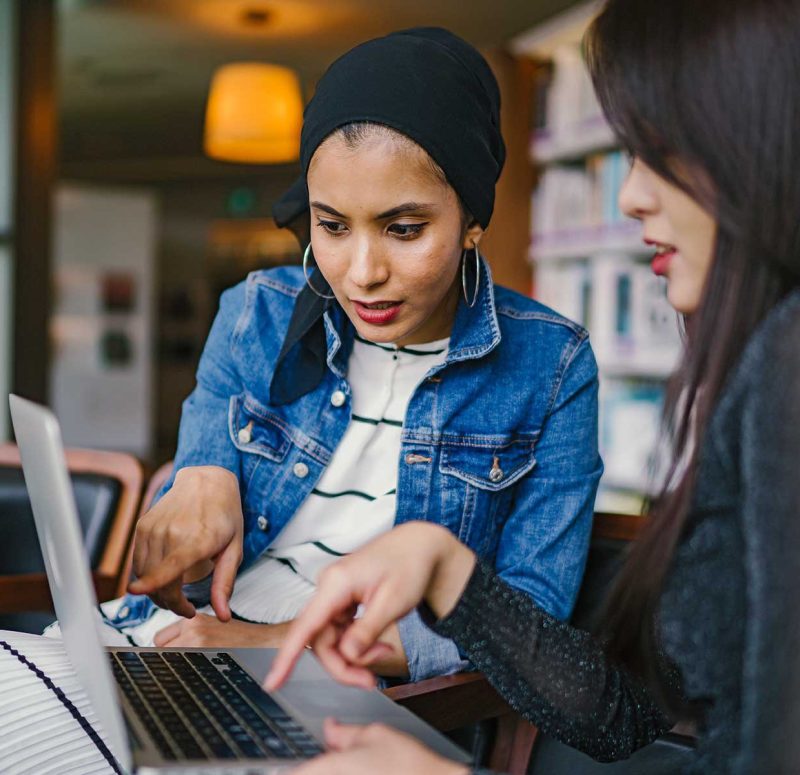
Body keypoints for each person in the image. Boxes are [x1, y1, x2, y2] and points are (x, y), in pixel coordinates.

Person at [0, 32, 604, 775]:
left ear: (473, 219)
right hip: (177, 642)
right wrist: (201, 470)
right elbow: (192, 494)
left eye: (405, 228)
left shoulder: (553, 364)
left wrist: (289, 645)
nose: (362, 272)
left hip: (353, 700)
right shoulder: (255, 310)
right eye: (331, 225)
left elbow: (526, 624)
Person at [264, 1, 800, 773]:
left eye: (660, 152)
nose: (630, 197)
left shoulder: (783, 365)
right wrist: (447, 569)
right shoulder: (758, 366)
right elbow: (622, 717)